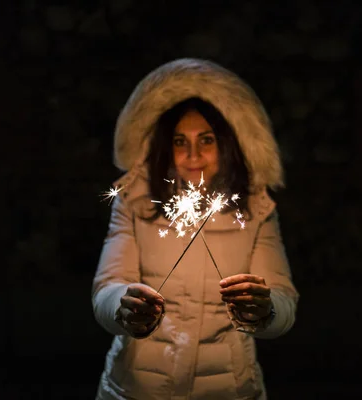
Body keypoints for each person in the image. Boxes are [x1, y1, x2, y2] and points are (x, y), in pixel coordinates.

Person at [92, 58, 299, 400]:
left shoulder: (256, 209)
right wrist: (124, 306)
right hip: (135, 390)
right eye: (179, 141)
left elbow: (283, 299)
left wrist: (266, 310)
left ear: (226, 144)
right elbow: (107, 287)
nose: (192, 156)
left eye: (205, 140)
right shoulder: (135, 201)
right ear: (164, 145)